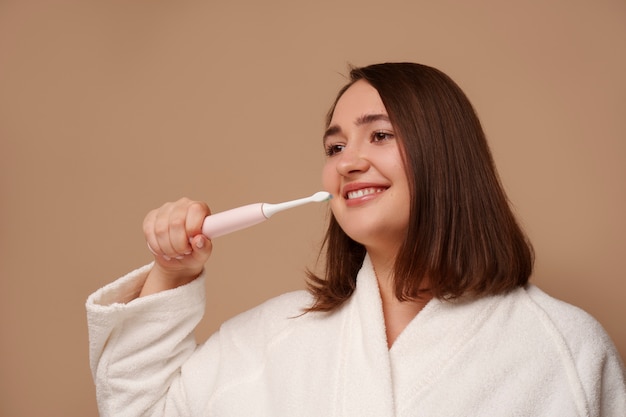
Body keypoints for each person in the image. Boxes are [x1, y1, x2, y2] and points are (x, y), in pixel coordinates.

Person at [86, 63, 626, 416]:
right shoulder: (272, 337)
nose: (349, 162)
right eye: (334, 146)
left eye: (381, 135)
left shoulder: (565, 349)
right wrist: (171, 272)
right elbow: (136, 409)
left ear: (447, 155)